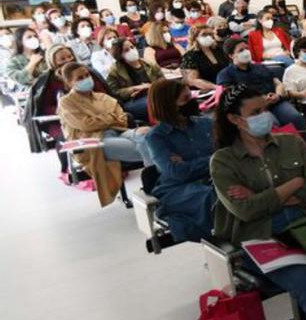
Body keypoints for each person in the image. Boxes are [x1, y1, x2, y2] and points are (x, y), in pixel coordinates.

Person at [210, 84, 306, 320]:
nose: (265, 115)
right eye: (256, 112)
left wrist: (260, 197)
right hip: (262, 238)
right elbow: (246, 211)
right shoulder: (223, 160)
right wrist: (293, 184)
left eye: (265, 109)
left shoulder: (291, 142)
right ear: (234, 119)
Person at [57, 61, 152, 207]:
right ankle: (157, 183)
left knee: (151, 136)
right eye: (80, 78)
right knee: (146, 148)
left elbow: (123, 119)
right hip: (93, 142)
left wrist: (103, 120)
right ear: (69, 83)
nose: (86, 79)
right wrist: (110, 118)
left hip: (119, 132)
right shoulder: (66, 102)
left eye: (87, 75)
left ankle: (156, 182)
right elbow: (86, 125)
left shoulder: (102, 97)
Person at [143, 80, 216, 241]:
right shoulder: (156, 136)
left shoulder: (206, 124)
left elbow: (227, 155)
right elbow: (177, 173)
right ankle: (225, 244)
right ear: (169, 104)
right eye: (185, 99)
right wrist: (213, 160)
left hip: (210, 179)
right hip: (175, 189)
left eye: (191, 96)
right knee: (214, 196)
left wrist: (190, 164)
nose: (191, 102)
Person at [215, 37, 306, 131]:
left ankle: (305, 144)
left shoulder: (260, 67)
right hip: (254, 110)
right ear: (231, 55)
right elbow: (232, 98)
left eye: (247, 49)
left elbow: (278, 83)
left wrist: (278, 95)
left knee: (296, 118)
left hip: (275, 102)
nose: (246, 52)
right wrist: (260, 100)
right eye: (241, 50)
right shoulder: (225, 74)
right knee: (272, 125)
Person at [107, 38, 164, 122]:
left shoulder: (148, 64)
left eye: (132, 47)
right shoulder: (114, 71)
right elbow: (114, 92)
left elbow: (162, 79)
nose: (131, 50)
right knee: (156, 102)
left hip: (154, 93)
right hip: (132, 101)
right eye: (126, 50)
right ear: (119, 54)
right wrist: (134, 89)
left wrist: (152, 86)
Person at [180, 24, 227, 90]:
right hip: (208, 90)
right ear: (195, 37)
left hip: (225, 84)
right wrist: (215, 87)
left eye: (210, 34)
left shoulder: (219, 50)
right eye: (204, 35)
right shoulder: (190, 56)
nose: (208, 37)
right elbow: (193, 80)